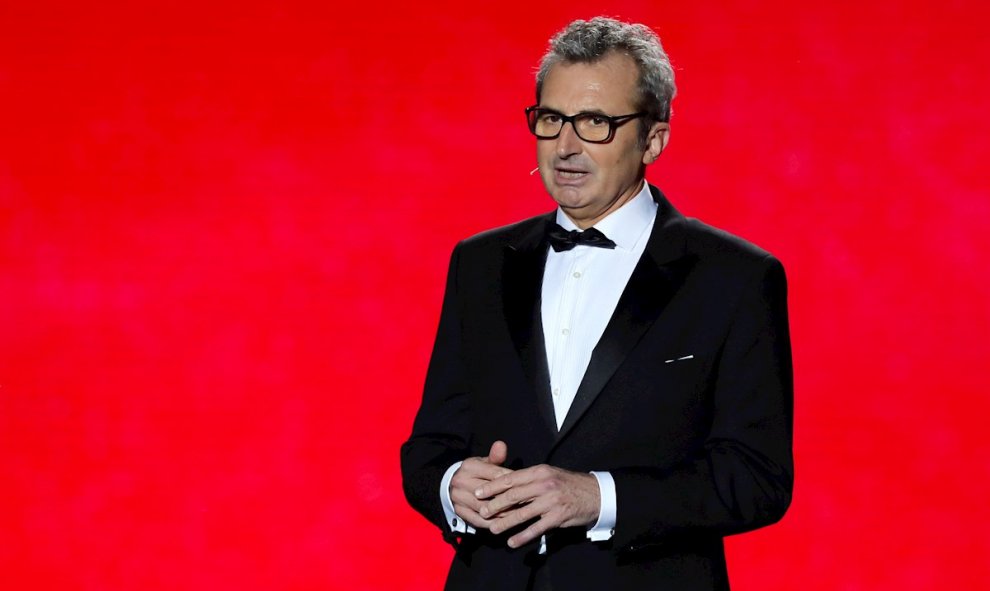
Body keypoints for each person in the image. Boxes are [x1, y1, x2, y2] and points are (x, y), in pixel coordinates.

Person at [401, 16, 793, 591]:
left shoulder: (733, 278)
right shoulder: (481, 264)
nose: (565, 146)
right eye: (552, 119)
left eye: (596, 123)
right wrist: (453, 484)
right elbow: (429, 448)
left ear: (654, 138)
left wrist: (598, 496)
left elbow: (756, 478)